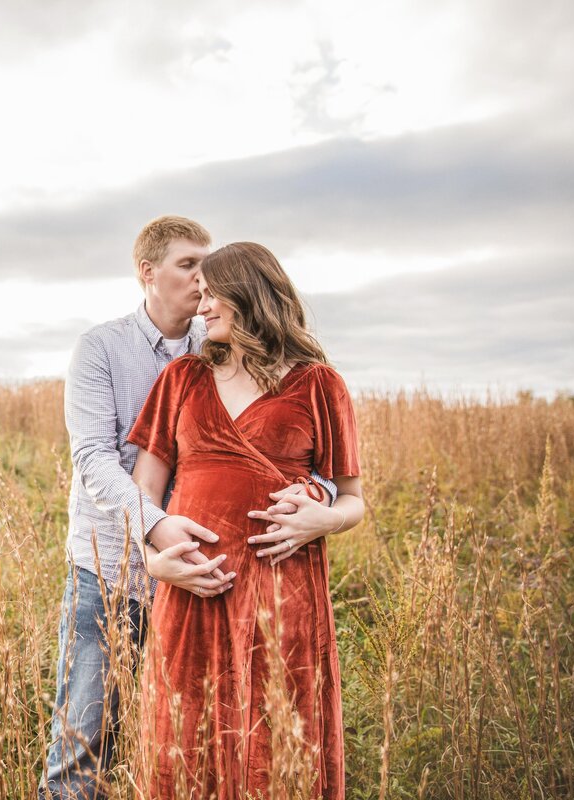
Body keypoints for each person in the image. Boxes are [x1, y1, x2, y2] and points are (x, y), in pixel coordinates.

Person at [40, 219, 340, 800]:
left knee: (200, 731)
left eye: (209, 266)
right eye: (187, 265)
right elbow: (95, 459)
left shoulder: (226, 348)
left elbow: (300, 457)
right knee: (86, 737)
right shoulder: (102, 348)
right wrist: (154, 535)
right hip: (113, 570)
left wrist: (318, 497)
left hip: (214, 578)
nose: (203, 279)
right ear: (147, 274)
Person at [129, 242, 364, 799]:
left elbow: (353, 499)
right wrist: (154, 561)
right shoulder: (183, 378)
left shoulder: (317, 383)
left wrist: (319, 522)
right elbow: (144, 489)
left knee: (279, 737)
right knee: (185, 736)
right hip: (193, 587)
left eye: (212, 294)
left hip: (284, 594)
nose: (201, 306)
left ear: (248, 294)